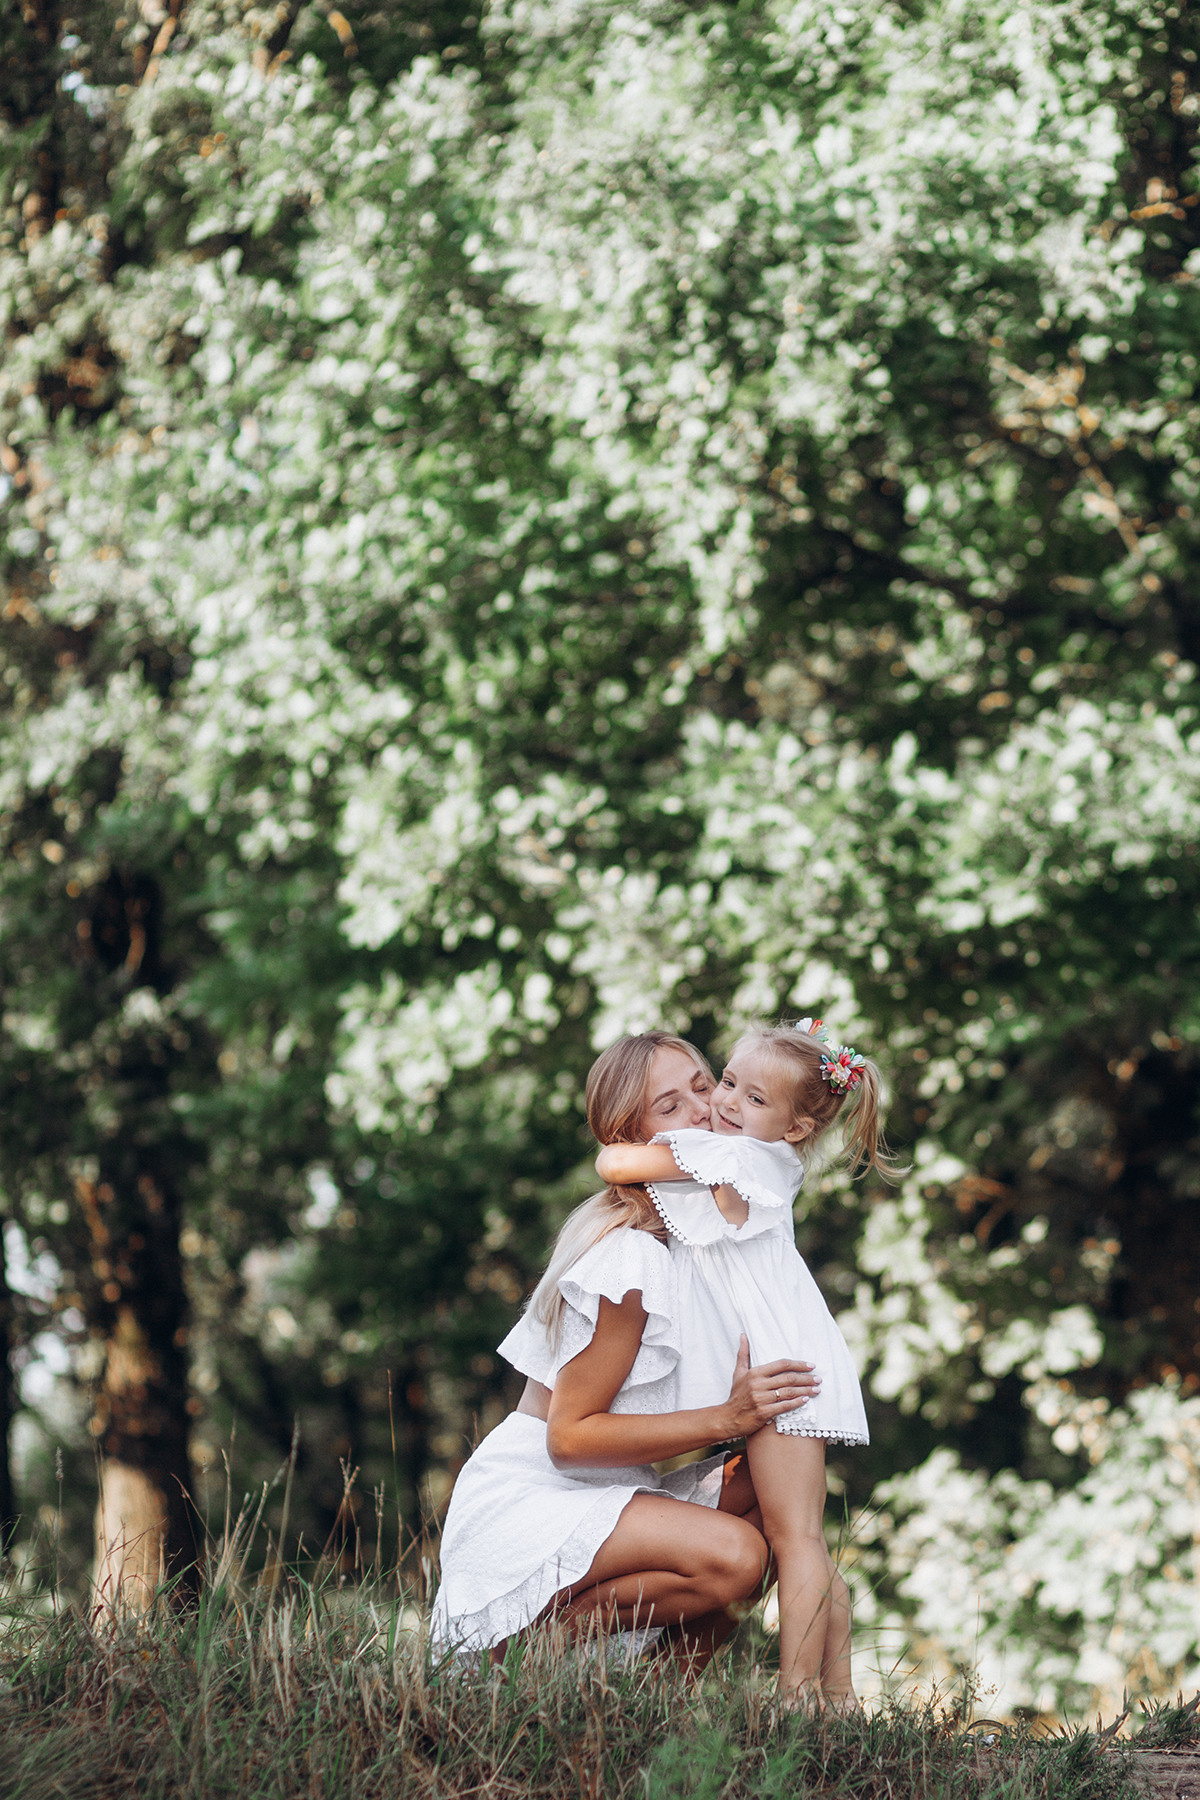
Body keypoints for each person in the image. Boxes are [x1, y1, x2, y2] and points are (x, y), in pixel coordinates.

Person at [432, 1031, 820, 1668]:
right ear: (636, 1141)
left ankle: (654, 1714)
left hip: (618, 1492)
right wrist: (728, 1418)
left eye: (705, 1085)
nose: (704, 1110)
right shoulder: (631, 1255)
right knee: (734, 1556)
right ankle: (533, 1659)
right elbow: (569, 1439)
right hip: (539, 1495)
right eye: (670, 1107)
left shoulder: (710, 1243)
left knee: (780, 1515)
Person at [595, 1020, 896, 1710]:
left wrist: (646, 1138)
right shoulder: (741, 1154)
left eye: (754, 1099)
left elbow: (616, 1163)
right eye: (727, 1080)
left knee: (796, 1540)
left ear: (793, 1129)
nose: (727, 1103)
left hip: (783, 1371)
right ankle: (840, 1697)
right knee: (803, 1539)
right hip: (782, 1363)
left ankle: (799, 1697)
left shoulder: (748, 1161)